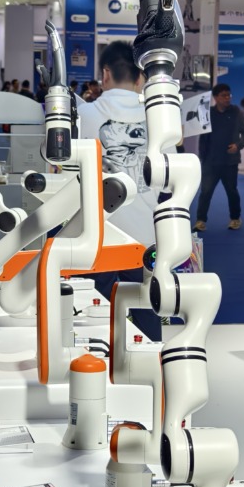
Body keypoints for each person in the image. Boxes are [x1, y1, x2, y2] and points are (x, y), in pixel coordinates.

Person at [78, 40, 161, 341]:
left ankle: (97, 366)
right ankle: (151, 366)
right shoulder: (157, 117)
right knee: (146, 311)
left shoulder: (84, 114)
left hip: (98, 234)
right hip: (146, 235)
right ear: (140, 78)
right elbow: (173, 175)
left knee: (92, 313)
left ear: (105, 74)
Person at [193, 83, 244, 232]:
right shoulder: (208, 112)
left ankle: (235, 218)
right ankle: (200, 221)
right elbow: (202, 137)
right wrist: (202, 156)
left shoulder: (236, 112)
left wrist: (238, 145)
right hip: (210, 161)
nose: (227, 98)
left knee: (232, 191)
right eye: (223, 95)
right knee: (205, 192)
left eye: (229, 95)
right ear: (215, 97)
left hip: (230, 161)